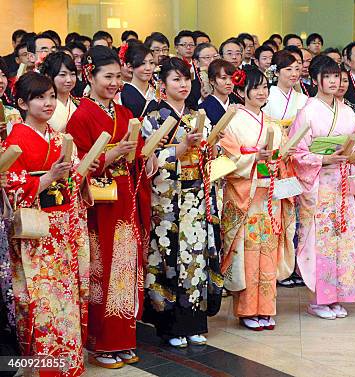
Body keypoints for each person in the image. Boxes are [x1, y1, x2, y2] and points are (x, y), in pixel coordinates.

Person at [66, 46, 154, 368]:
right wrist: (111, 156)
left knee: (127, 269)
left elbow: (139, 154)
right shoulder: (81, 116)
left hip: (125, 199)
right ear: (90, 76)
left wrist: (145, 154)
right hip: (100, 204)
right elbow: (78, 165)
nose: (115, 83)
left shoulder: (125, 114)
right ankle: (102, 341)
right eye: (108, 76)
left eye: (118, 76)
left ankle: (124, 337)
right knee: (104, 269)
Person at [5, 71, 92, 376]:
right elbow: (12, 186)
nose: (48, 103)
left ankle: (68, 363)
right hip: (34, 230)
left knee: (64, 296)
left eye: (51, 96)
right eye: (39, 97)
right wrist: (49, 179)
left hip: (62, 227)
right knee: (38, 297)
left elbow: (73, 178)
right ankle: (41, 366)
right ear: (22, 103)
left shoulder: (59, 138)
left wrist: (79, 171)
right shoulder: (15, 140)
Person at [141, 57, 222, 347]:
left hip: (196, 195)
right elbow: (146, 161)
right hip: (166, 199)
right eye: (176, 79)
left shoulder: (197, 115)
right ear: (161, 85)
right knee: (169, 256)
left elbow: (213, 154)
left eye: (186, 79)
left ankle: (194, 322)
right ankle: (171, 325)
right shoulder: (152, 120)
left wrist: (211, 148)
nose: (183, 84)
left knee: (196, 256)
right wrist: (181, 148)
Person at [290, 55, 355, 319]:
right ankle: (319, 299)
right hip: (319, 184)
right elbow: (295, 152)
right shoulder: (308, 111)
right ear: (315, 80)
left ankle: (338, 296)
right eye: (328, 76)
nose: (334, 81)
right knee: (321, 240)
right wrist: (323, 158)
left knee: (344, 238)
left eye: (337, 76)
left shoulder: (347, 110)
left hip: (343, 183)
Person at [219, 66, 296, 330]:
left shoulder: (272, 122)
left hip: (269, 195)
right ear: (241, 91)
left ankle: (266, 308)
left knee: (268, 253)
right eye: (256, 87)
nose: (263, 91)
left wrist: (282, 157)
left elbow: (282, 158)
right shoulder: (231, 121)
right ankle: (247, 309)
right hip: (247, 197)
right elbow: (228, 160)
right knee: (248, 253)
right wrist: (255, 158)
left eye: (265, 86)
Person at [262, 51, 308, 129]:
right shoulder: (265, 96)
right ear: (276, 72)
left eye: (297, 69)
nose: (294, 74)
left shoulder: (303, 98)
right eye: (289, 69)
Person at [39, 52, 79, 132]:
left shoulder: (79, 104)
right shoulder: (40, 105)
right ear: (48, 76)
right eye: (62, 75)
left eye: (72, 74)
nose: (69, 80)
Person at [119, 43, 156, 118]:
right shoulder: (120, 96)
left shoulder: (157, 93)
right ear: (130, 67)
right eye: (142, 63)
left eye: (151, 63)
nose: (148, 68)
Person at [198, 59, 237, 124]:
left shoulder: (237, 105)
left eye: (232, 78)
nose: (229, 82)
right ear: (212, 81)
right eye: (223, 78)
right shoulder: (203, 107)